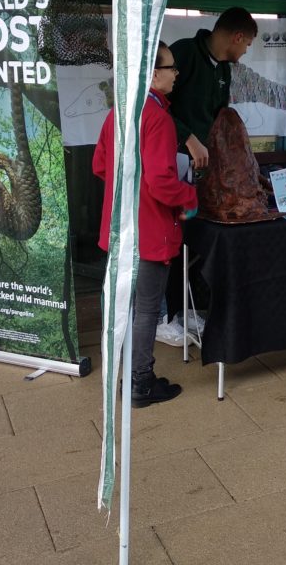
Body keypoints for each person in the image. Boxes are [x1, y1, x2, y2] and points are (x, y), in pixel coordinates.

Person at [93, 41, 199, 407]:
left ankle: (128, 377)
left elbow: (100, 166)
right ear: (153, 74)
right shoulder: (158, 118)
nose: (176, 74)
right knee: (147, 309)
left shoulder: (120, 111)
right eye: (171, 68)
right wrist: (190, 196)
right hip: (149, 233)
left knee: (131, 307)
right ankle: (141, 381)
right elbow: (161, 183)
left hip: (120, 230)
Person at [169, 7, 258, 171]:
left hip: (202, 164)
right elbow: (156, 105)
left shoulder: (224, 70)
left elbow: (220, 119)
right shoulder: (185, 52)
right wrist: (188, 138)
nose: (245, 51)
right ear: (238, 38)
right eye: (247, 44)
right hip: (171, 159)